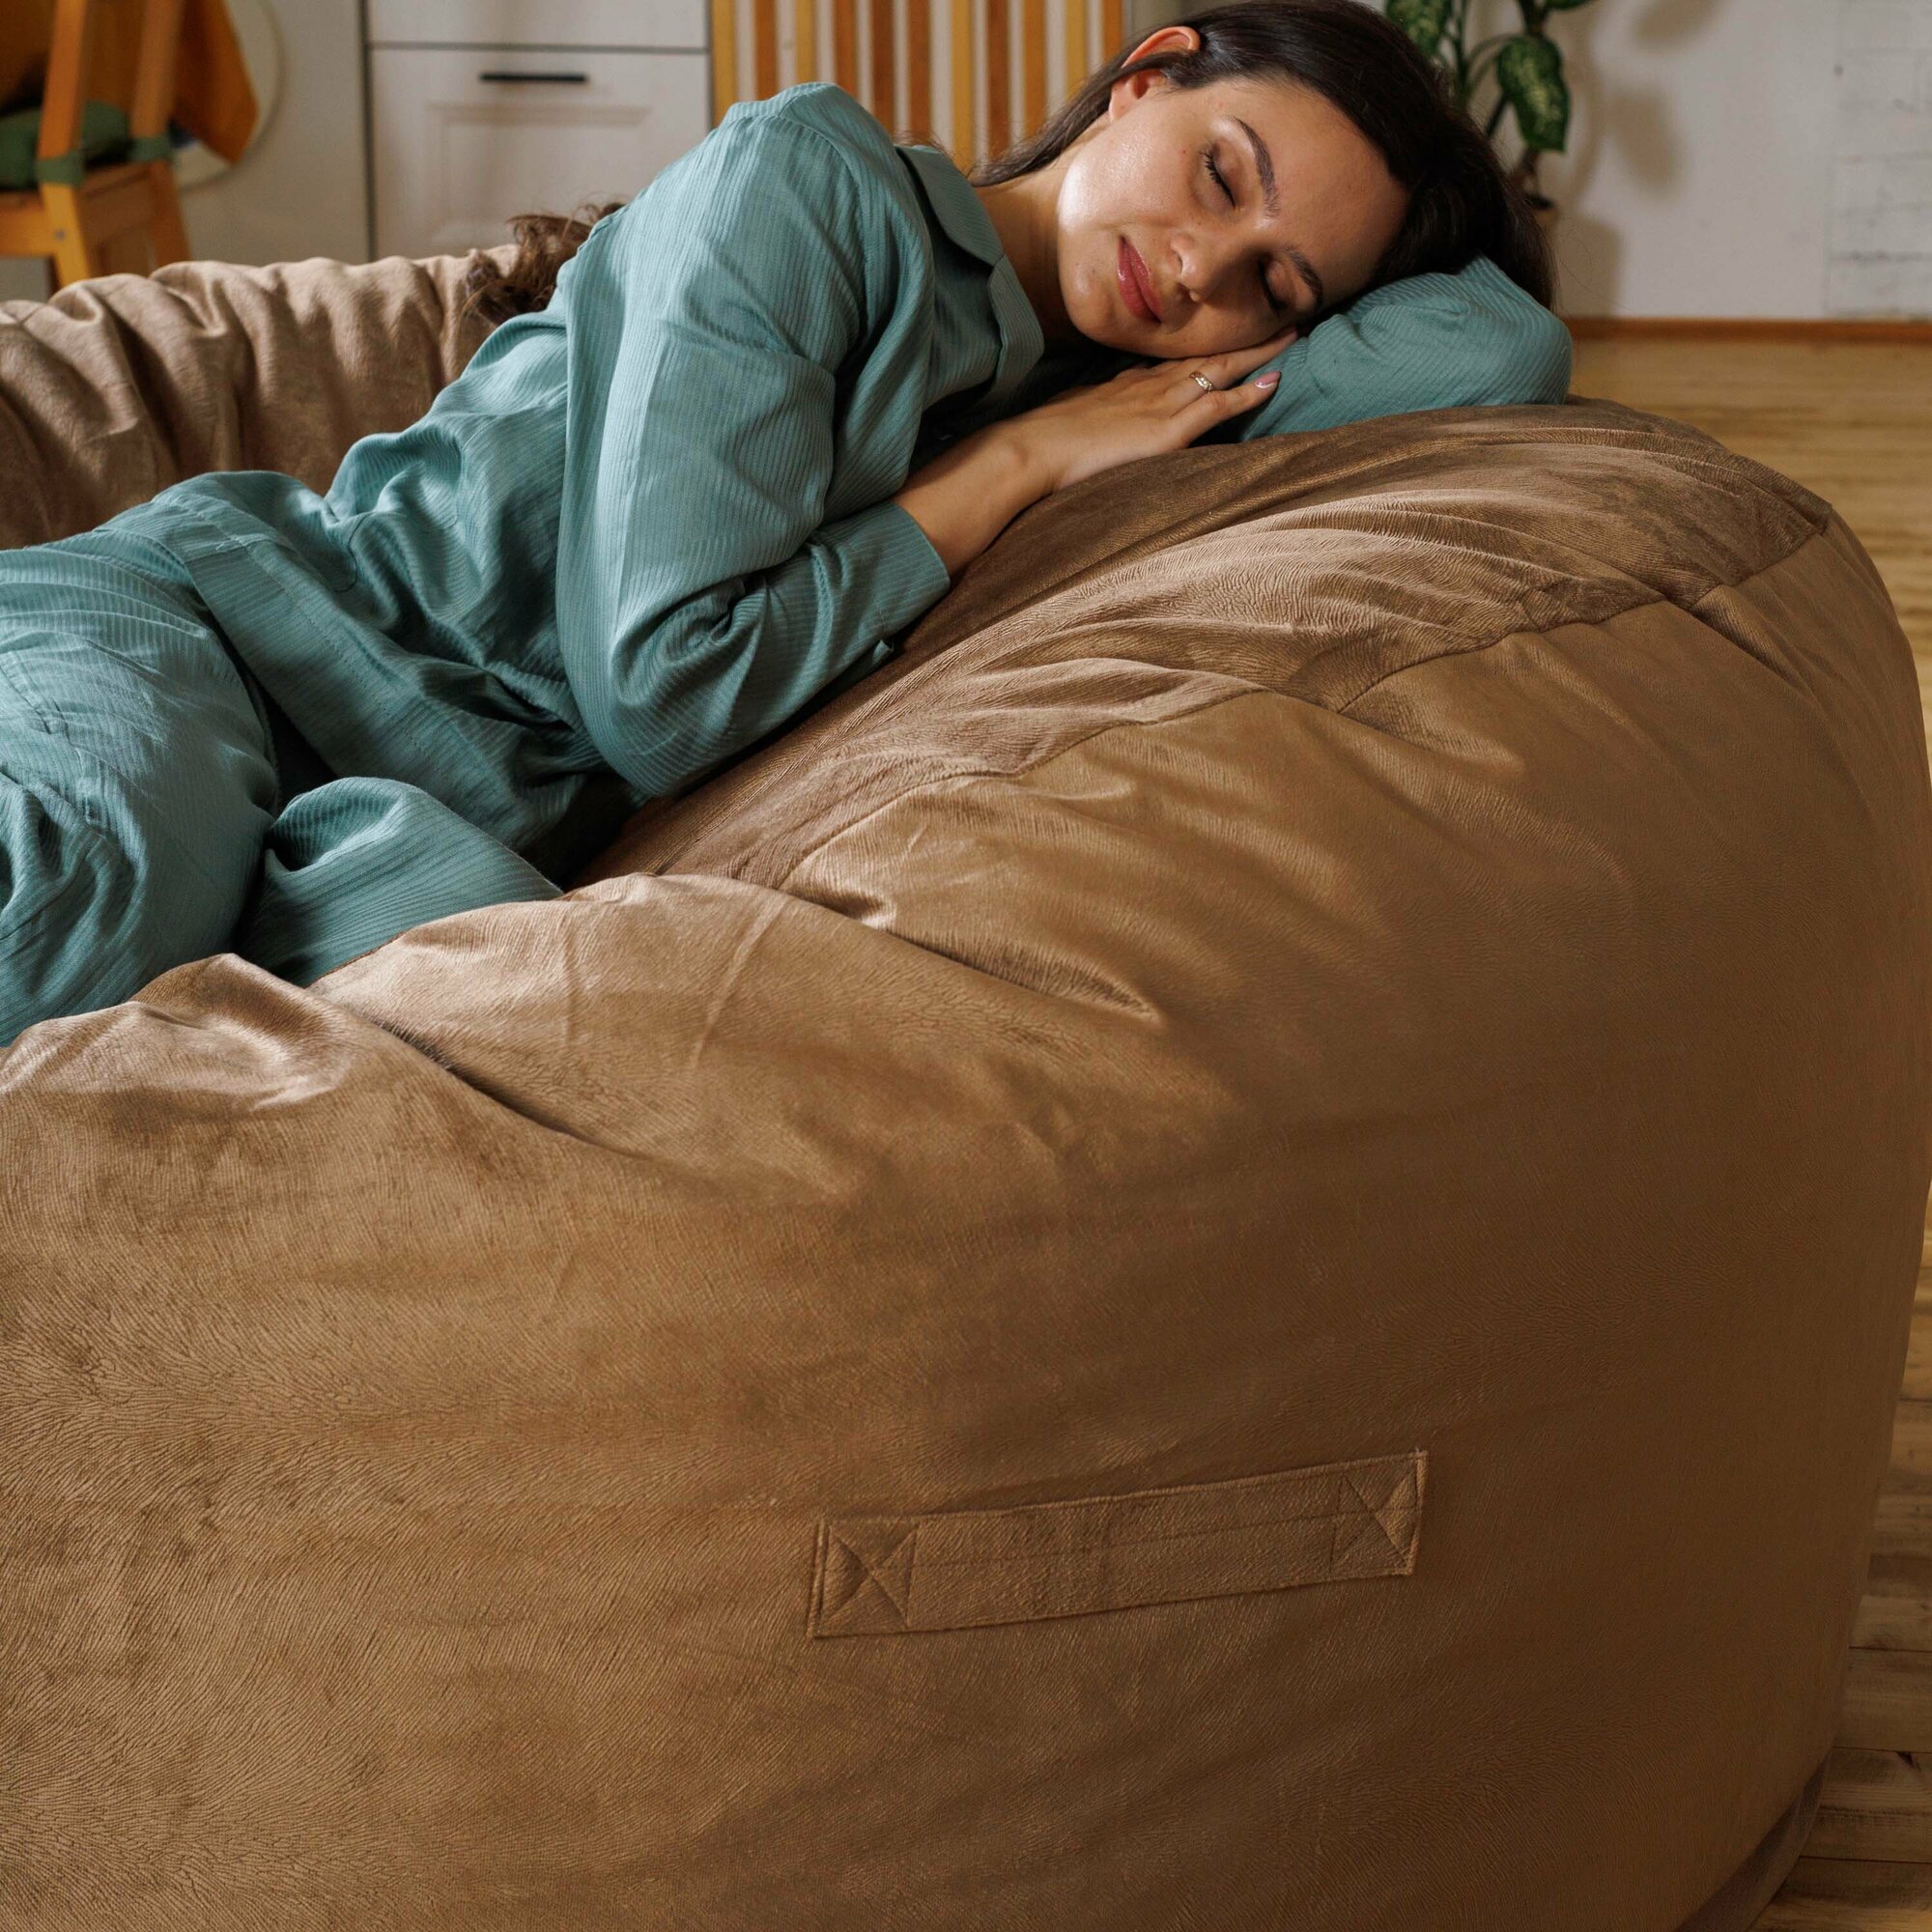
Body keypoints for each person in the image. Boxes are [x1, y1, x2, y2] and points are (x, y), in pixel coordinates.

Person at [0, 0, 1568, 1051]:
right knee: (95, 905)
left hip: (402, 810)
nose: (1206, 267)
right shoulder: (813, 185)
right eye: (1222, 175)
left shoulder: (1134, 406)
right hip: (214, 642)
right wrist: (1007, 469)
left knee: (527, 1040)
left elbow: (1502, 349)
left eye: (1278, 284)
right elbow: (665, 686)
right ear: (1146, 74)